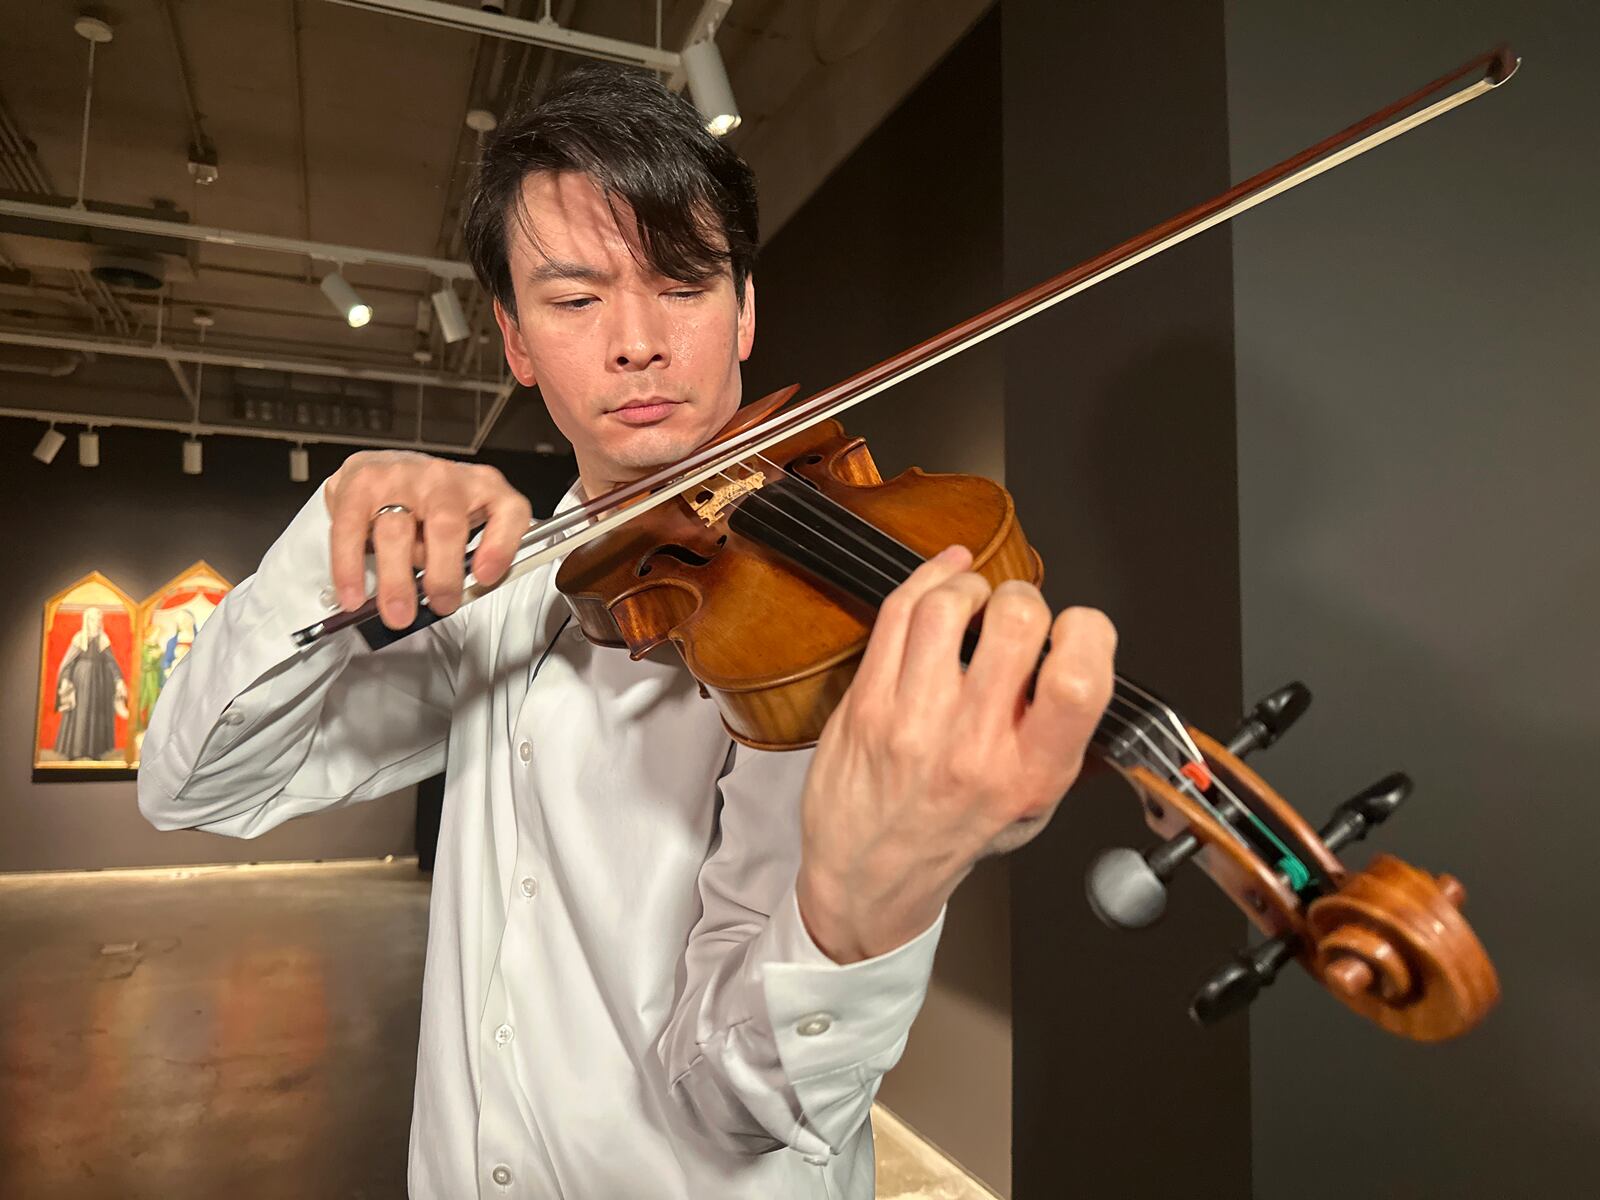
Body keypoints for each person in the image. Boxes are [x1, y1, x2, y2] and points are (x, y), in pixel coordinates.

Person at [137, 64, 1115, 1199]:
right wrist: (327, 539)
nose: (637, 342)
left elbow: (743, 1105)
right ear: (512, 338)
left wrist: (850, 928)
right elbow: (193, 784)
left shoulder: (818, 654)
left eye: (683, 286)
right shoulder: (498, 599)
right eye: (573, 299)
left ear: (745, 308)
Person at [54, 605, 127, 761]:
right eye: (94, 619)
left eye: (99, 619)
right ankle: (76, 751)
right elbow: (69, 663)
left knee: (96, 714)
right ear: (87, 620)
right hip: (81, 681)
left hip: (101, 683)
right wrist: (66, 678)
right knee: (81, 714)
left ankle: (95, 751)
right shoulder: (79, 638)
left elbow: (111, 662)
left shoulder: (103, 639)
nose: (97, 622)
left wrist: (119, 680)